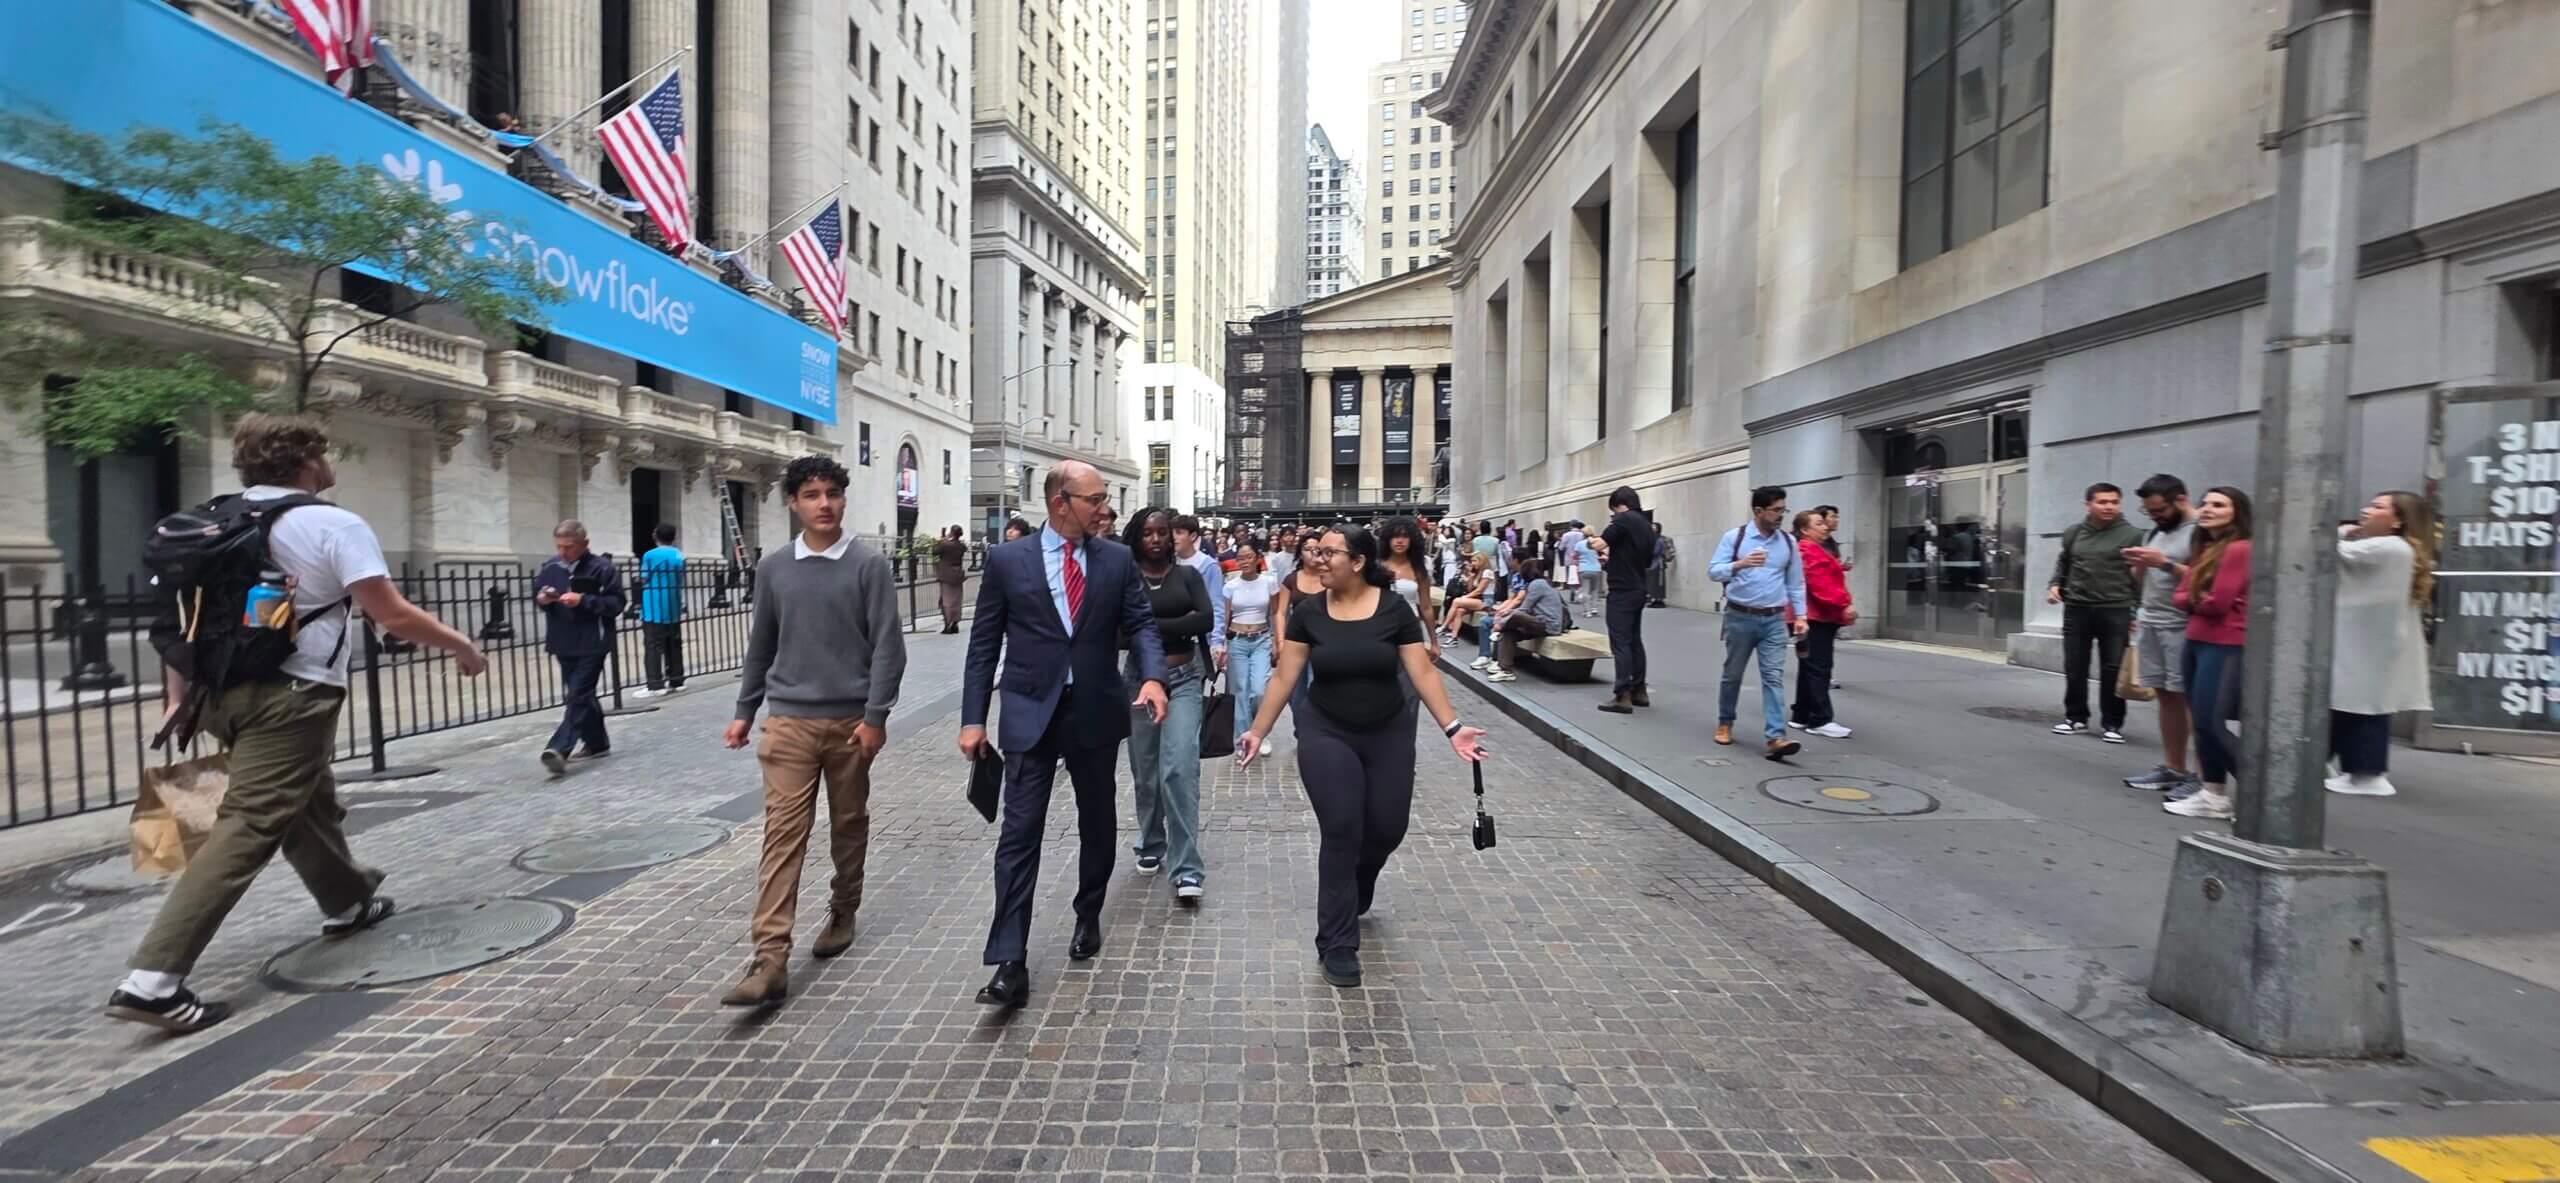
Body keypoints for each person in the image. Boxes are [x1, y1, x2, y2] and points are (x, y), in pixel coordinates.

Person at [108, 414, 490, 1033]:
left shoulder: (210, 519)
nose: (330, 461)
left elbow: (179, 617)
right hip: (293, 695)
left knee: (307, 800)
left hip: (217, 693)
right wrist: (461, 645)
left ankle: (347, 902)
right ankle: (153, 981)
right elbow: (390, 614)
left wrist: (176, 697)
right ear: (309, 460)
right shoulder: (332, 524)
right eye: (325, 452)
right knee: (250, 822)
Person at [1236, 526, 1486, 989]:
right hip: (1326, 730)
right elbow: (1285, 677)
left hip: (1388, 730)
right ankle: (1336, 942)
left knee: (1388, 827)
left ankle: (1362, 876)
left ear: (1357, 562)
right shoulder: (1309, 613)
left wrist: (1453, 727)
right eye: (1316, 552)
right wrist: (1257, 730)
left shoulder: (1393, 610)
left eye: (1329, 553)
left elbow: (1421, 671)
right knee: (1341, 827)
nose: (1318, 559)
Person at [961, 462, 1169, 1009]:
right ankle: (1009, 960)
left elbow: (1141, 623)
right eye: (1095, 499)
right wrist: (973, 718)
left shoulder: (1116, 560)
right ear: (1060, 503)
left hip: (1094, 711)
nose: (1105, 509)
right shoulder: (1008, 561)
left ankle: (1088, 910)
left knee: (1096, 821)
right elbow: (983, 644)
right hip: (1030, 712)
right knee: (1018, 834)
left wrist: (1152, 676)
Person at [715, 455, 908, 1007]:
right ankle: (769, 957)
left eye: (832, 493)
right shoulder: (775, 568)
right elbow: (762, 643)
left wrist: (876, 717)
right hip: (788, 723)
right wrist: (745, 710)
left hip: (851, 724)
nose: (824, 504)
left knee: (848, 822)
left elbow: (888, 647)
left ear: (843, 499)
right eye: (812, 495)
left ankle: (844, 908)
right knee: (782, 835)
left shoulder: (868, 565)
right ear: (794, 503)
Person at [1122, 507, 1214, 899]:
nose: (1157, 539)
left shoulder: (1188, 576)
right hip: (1139, 681)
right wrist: (1177, 623)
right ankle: (1150, 840)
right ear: (1136, 537)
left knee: (1179, 769)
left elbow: (1205, 620)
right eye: (1148, 533)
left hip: (1185, 678)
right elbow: (1118, 633)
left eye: (1164, 532)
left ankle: (1187, 868)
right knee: (1146, 772)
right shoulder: (1126, 578)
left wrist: (1147, 626)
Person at [2328, 490, 2434, 797]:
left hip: (2366, 643)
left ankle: (2366, 774)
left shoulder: (2389, 546)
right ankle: (2357, 771)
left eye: (2377, 507)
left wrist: (2340, 532)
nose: (2366, 510)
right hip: (2372, 642)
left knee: (2363, 707)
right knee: (2360, 705)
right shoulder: (2397, 548)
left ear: (2398, 520)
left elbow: (2330, 551)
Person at [2164, 488, 2253, 821]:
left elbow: (2217, 603)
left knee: (2210, 722)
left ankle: (2262, 797)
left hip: (2225, 643)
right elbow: (2182, 596)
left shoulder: (2239, 548)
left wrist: (2192, 598)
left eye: (2219, 505)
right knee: (2202, 723)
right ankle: (2213, 794)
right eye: (2205, 503)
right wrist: (2195, 598)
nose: (2208, 509)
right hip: (2198, 639)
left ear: (2237, 512)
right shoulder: (2206, 547)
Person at [1708, 486, 1806, 757]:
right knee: (1733, 674)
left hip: (1774, 619)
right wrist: (1739, 564)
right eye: (1776, 510)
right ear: (1758, 511)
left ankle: (1776, 737)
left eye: (1783, 510)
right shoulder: (1735, 537)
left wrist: (1801, 616)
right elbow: (1713, 571)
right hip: (1740, 617)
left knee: (1773, 677)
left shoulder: (1788, 542)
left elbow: (1796, 583)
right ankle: (1725, 722)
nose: (1781, 515)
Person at [2046, 482, 2146, 743]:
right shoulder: (2074, 533)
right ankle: (2075, 717)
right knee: (2074, 665)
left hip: (2116, 608)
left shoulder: (2133, 535)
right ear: (2088, 505)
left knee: (2113, 667)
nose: (2109, 506)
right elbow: (2065, 562)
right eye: (2102, 502)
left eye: (2114, 502)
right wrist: (2055, 585)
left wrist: (2136, 611)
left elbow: (2140, 577)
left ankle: (2112, 723)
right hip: (2077, 608)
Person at [2120, 475, 2201, 793]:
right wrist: (2140, 564)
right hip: (2152, 620)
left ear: (2180, 500)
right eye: (2148, 512)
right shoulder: (2157, 531)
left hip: (2183, 624)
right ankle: (2173, 767)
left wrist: (2164, 563)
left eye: (2159, 510)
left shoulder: (2201, 531)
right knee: (2166, 696)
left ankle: (2204, 777)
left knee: (2193, 700)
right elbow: (2144, 580)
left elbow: (2209, 578)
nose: (2154, 517)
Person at [536, 519, 626, 776]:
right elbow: (538, 593)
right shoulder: (551, 567)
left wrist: (584, 600)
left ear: (584, 544)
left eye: (569, 547)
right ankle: (597, 743)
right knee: (582, 694)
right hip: (562, 640)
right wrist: (543, 599)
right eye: (559, 546)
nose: (563, 552)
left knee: (578, 694)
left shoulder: (602, 568)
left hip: (592, 641)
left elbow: (617, 604)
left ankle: (559, 748)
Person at [1592, 487, 1657, 715]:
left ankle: (1622, 694)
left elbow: (1599, 544)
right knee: (1634, 640)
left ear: (1619, 504)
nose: (1613, 515)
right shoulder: (1647, 526)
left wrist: (1590, 540)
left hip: (1621, 589)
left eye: (1613, 510)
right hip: (1639, 586)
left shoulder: (1623, 519)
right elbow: (1643, 558)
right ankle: (1640, 690)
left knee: (1620, 641)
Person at [1791, 511, 1854, 739]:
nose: (1826, 526)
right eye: (1819, 523)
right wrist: (1844, 604)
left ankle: (1802, 714)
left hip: (1812, 616)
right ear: (1805, 530)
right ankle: (1820, 719)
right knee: (1819, 666)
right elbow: (1821, 585)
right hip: (1816, 617)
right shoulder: (1809, 550)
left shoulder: (1809, 549)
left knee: (1809, 666)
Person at [1226, 544, 1281, 752]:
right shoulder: (1231, 586)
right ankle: (1242, 738)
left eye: (1249, 557)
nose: (1245, 561)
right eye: (1241, 558)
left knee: (1259, 690)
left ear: (1257, 558)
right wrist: (1220, 644)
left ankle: (1259, 732)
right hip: (1237, 640)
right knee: (1240, 691)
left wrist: (1276, 640)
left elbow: (1276, 613)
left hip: (1261, 639)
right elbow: (1225, 616)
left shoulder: (1269, 582)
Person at [1486, 558, 1568, 684]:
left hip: (1548, 625)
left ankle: (1498, 630)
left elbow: (1524, 609)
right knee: (1509, 633)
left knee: (1516, 617)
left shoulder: (1537, 584)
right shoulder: (1542, 583)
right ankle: (1505, 670)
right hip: (1539, 623)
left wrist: (1501, 622)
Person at [635, 522, 686, 698]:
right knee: (674, 643)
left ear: (655, 536)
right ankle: (677, 680)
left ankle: (655, 684)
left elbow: (644, 578)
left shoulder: (650, 555)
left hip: (653, 604)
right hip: (673, 604)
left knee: (653, 645)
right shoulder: (679, 555)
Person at [1172, 514, 1228, 671]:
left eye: (1179, 532)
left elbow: (1217, 605)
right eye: (1171, 532)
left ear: (1193, 536)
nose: (1174, 537)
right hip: (1172, 638)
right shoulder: (1168, 562)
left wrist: (1217, 641)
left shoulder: (1208, 566)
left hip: (1199, 640)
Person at [1376, 515, 1436, 632]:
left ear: (1412, 539)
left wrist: (1433, 640)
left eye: (1405, 536)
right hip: (1381, 626)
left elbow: (1426, 607)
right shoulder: (1376, 566)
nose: (1400, 541)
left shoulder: (1419, 568)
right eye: (1395, 536)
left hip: (1411, 627)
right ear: (1388, 539)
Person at [1441, 553, 1495, 649]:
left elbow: (1479, 590)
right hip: (1477, 600)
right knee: (1459, 611)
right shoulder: (1477, 573)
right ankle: (1453, 638)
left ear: (1482, 561)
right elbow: (1470, 589)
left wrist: (1465, 597)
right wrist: (1471, 577)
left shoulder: (1487, 572)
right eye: (1472, 561)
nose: (1472, 563)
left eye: (1475, 561)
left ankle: (1444, 626)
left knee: (1456, 601)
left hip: (1486, 601)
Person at [934, 524, 969, 634]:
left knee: (946, 600)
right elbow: (962, 548)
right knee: (956, 600)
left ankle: (947, 625)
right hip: (957, 575)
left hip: (946, 575)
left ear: (952, 533)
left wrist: (943, 539)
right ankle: (955, 623)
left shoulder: (945, 544)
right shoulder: (961, 546)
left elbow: (935, 552)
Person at [1556, 521, 1587, 603]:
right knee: (1580, 578)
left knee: (1571, 577)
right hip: (1580, 559)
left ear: (1571, 526)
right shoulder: (1582, 535)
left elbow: (1561, 547)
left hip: (1569, 559)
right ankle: (1579, 593)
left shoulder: (1566, 535)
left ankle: (1572, 591)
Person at [1647, 524, 1675, 608]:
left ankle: (1659, 600)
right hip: (1654, 564)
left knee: (1659, 582)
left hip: (1658, 564)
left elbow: (1656, 551)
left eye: (1654, 528)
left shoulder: (1659, 540)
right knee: (1653, 583)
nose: (1652, 529)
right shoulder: (1653, 539)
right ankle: (1655, 599)